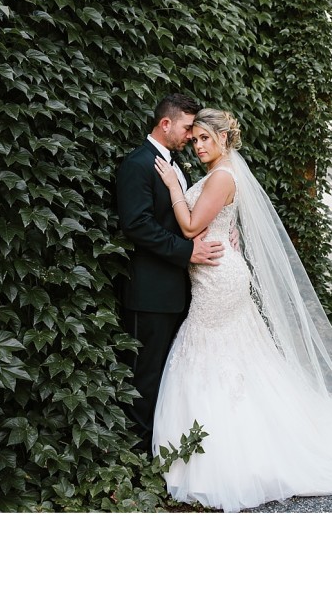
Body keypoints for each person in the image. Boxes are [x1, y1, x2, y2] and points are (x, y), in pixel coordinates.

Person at [151, 108, 332, 511]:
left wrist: (172, 187)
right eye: (195, 139)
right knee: (238, 355)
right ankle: (245, 436)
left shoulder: (222, 176)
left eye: (205, 139)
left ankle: (231, 452)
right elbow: (218, 222)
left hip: (219, 279)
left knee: (213, 353)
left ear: (223, 139)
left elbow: (188, 227)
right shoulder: (225, 173)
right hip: (216, 272)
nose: (198, 146)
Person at [116, 94, 225, 453]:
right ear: (166, 124)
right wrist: (188, 250)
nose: (191, 137)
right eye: (186, 128)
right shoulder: (138, 164)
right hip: (150, 292)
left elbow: (186, 216)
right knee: (145, 377)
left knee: (169, 374)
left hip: (180, 289)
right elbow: (138, 225)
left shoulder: (175, 164)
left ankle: (163, 449)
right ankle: (138, 455)